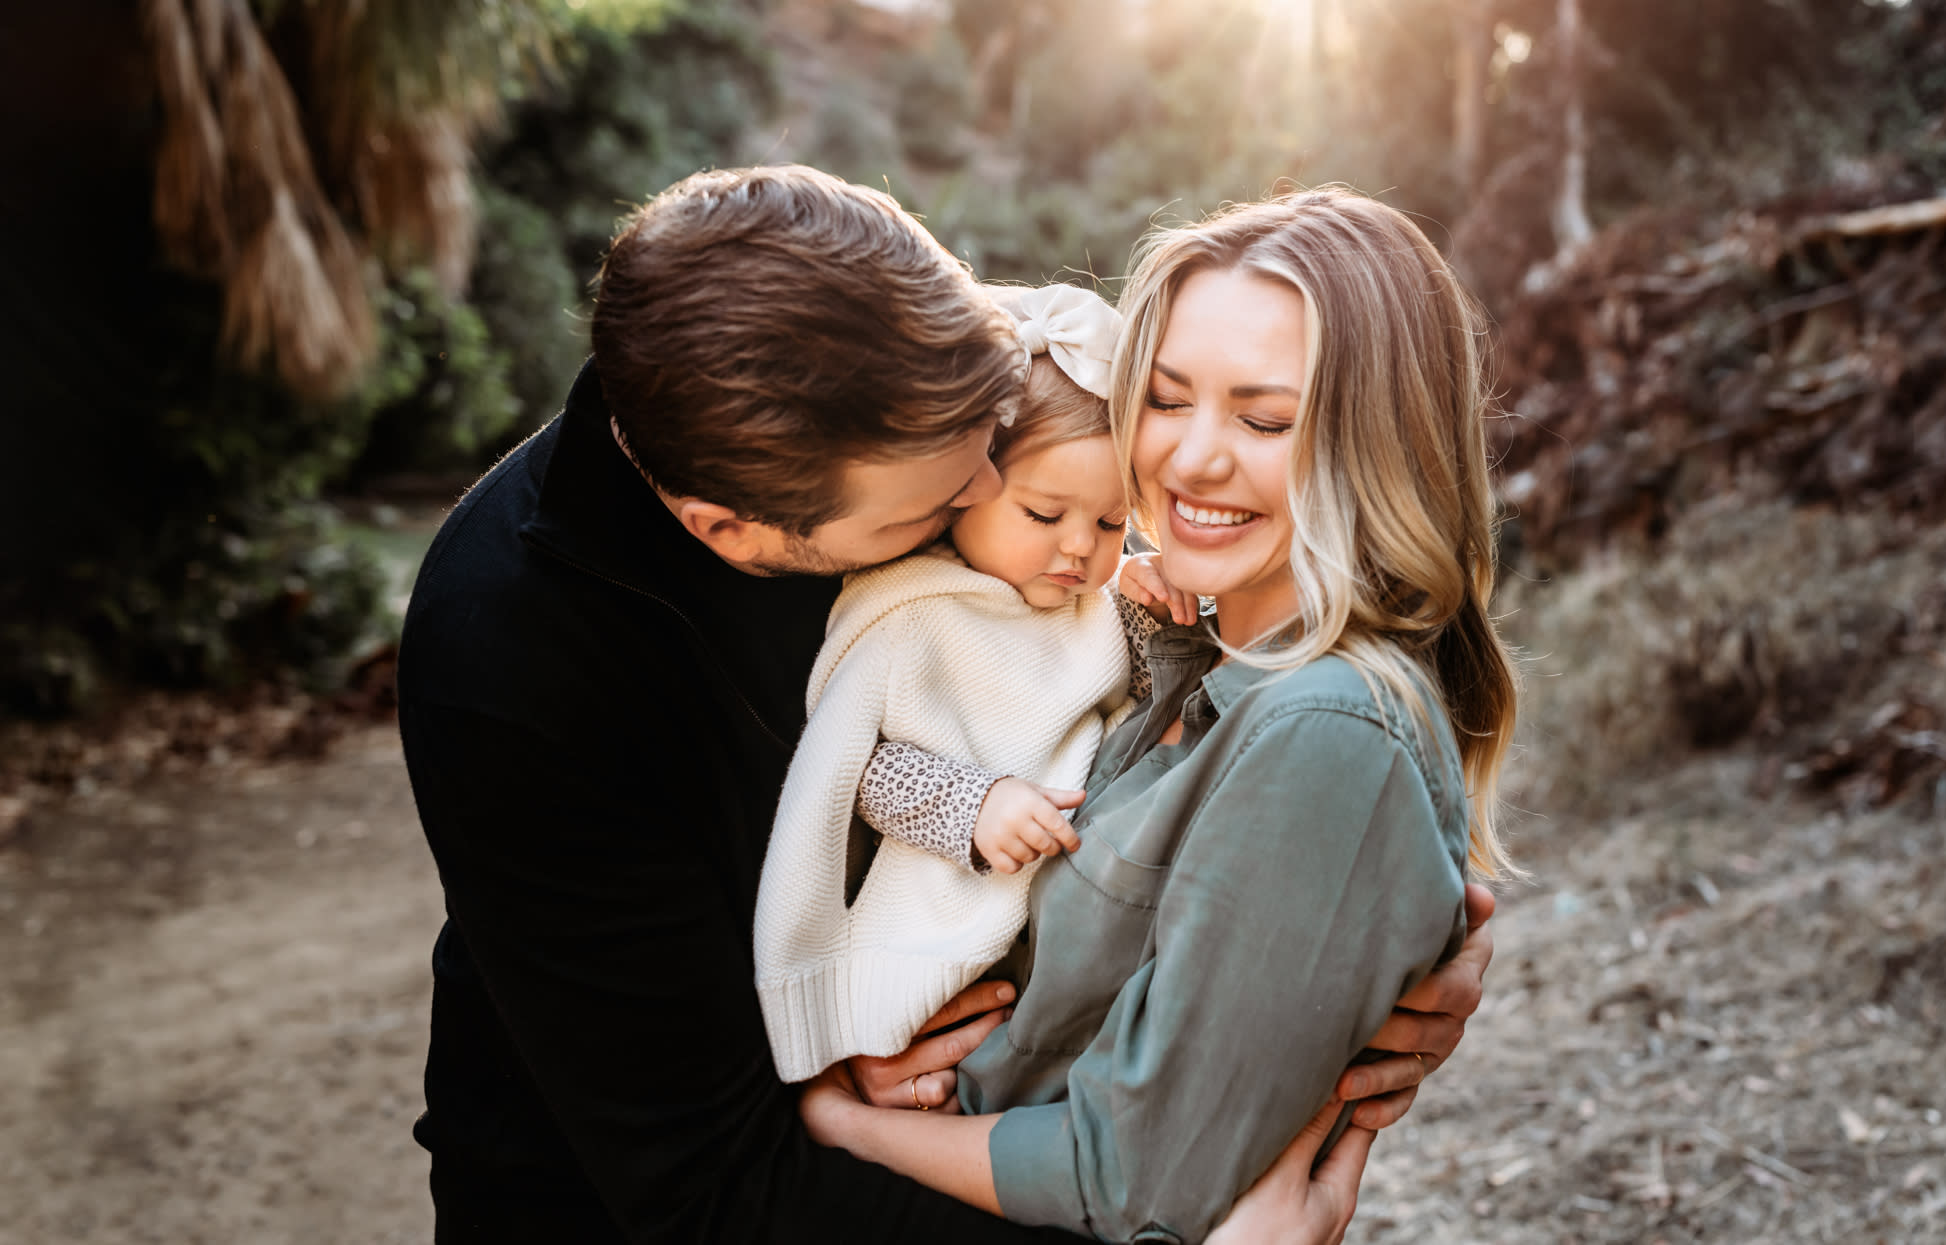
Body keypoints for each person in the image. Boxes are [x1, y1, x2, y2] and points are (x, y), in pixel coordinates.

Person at [399, 164, 1495, 1243]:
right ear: (731, 532)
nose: (986, 494)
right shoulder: (516, 662)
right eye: (937, 502)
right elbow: (706, 1183)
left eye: (989, 436)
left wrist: (1337, 963)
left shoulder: (886, 358)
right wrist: (840, 1051)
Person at [797, 186, 1518, 1245]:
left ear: (1377, 445)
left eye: (1264, 418)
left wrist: (834, 1124)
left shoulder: (1327, 727)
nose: (1189, 460)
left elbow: (1133, 1180)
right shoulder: (1172, 658)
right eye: (1166, 398)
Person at [755, 283, 1180, 1081]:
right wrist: (972, 804)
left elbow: (1156, 701)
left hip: (1083, 903)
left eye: (1111, 522)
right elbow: (854, 770)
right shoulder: (910, 608)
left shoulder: (1099, 605)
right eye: (1045, 515)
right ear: (968, 488)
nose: (1081, 549)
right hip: (948, 910)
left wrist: (1162, 610)